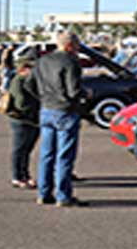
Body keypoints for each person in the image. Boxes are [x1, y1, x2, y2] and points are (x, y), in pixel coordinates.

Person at [29, 30, 86, 207]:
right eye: (77, 46)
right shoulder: (71, 63)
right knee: (64, 156)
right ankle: (63, 196)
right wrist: (85, 95)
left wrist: (43, 97)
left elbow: (30, 83)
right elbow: (73, 91)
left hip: (46, 108)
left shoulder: (42, 61)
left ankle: (44, 193)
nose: (78, 49)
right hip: (65, 111)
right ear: (70, 45)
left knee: (46, 154)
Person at [7, 56, 40, 190]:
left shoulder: (27, 81)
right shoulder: (19, 81)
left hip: (29, 120)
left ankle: (24, 175)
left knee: (26, 150)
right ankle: (18, 177)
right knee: (20, 150)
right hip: (22, 120)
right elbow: (21, 103)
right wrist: (35, 108)